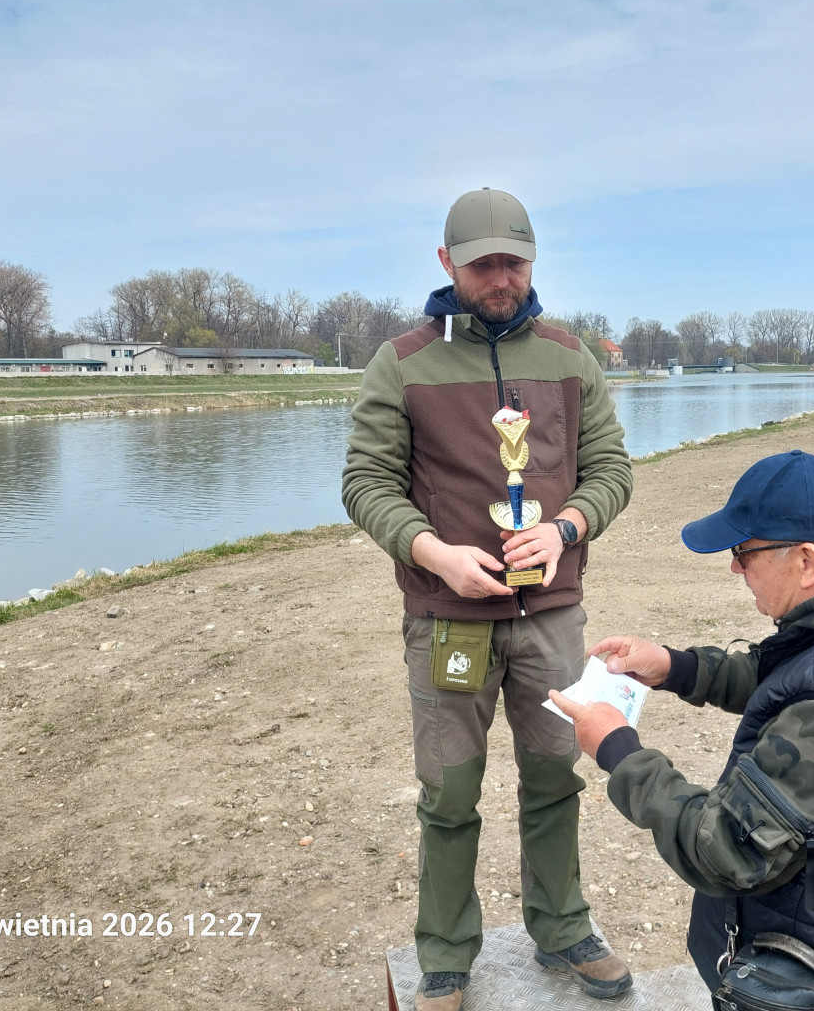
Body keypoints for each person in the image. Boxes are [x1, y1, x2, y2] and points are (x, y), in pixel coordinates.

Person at [341, 188, 635, 1010]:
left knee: (557, 780)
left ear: (533, 261)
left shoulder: (571, 358)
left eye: (514, 262)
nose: (501, 278)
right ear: (447, 263)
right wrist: (432, 552)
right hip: (448, 622)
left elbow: (612, 471)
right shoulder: (403, 363)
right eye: (483, 265)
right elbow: (366, 483)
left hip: (553, 618)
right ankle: (444, 953)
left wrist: (568, 529)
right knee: (449, 794)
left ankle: (563, 926)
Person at [550, 450, 814, 1011]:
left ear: (806, 561)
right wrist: (676, 667)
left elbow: (725, 851)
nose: (735, 569)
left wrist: (618, 749)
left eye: (743, 553)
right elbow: (797, 673)